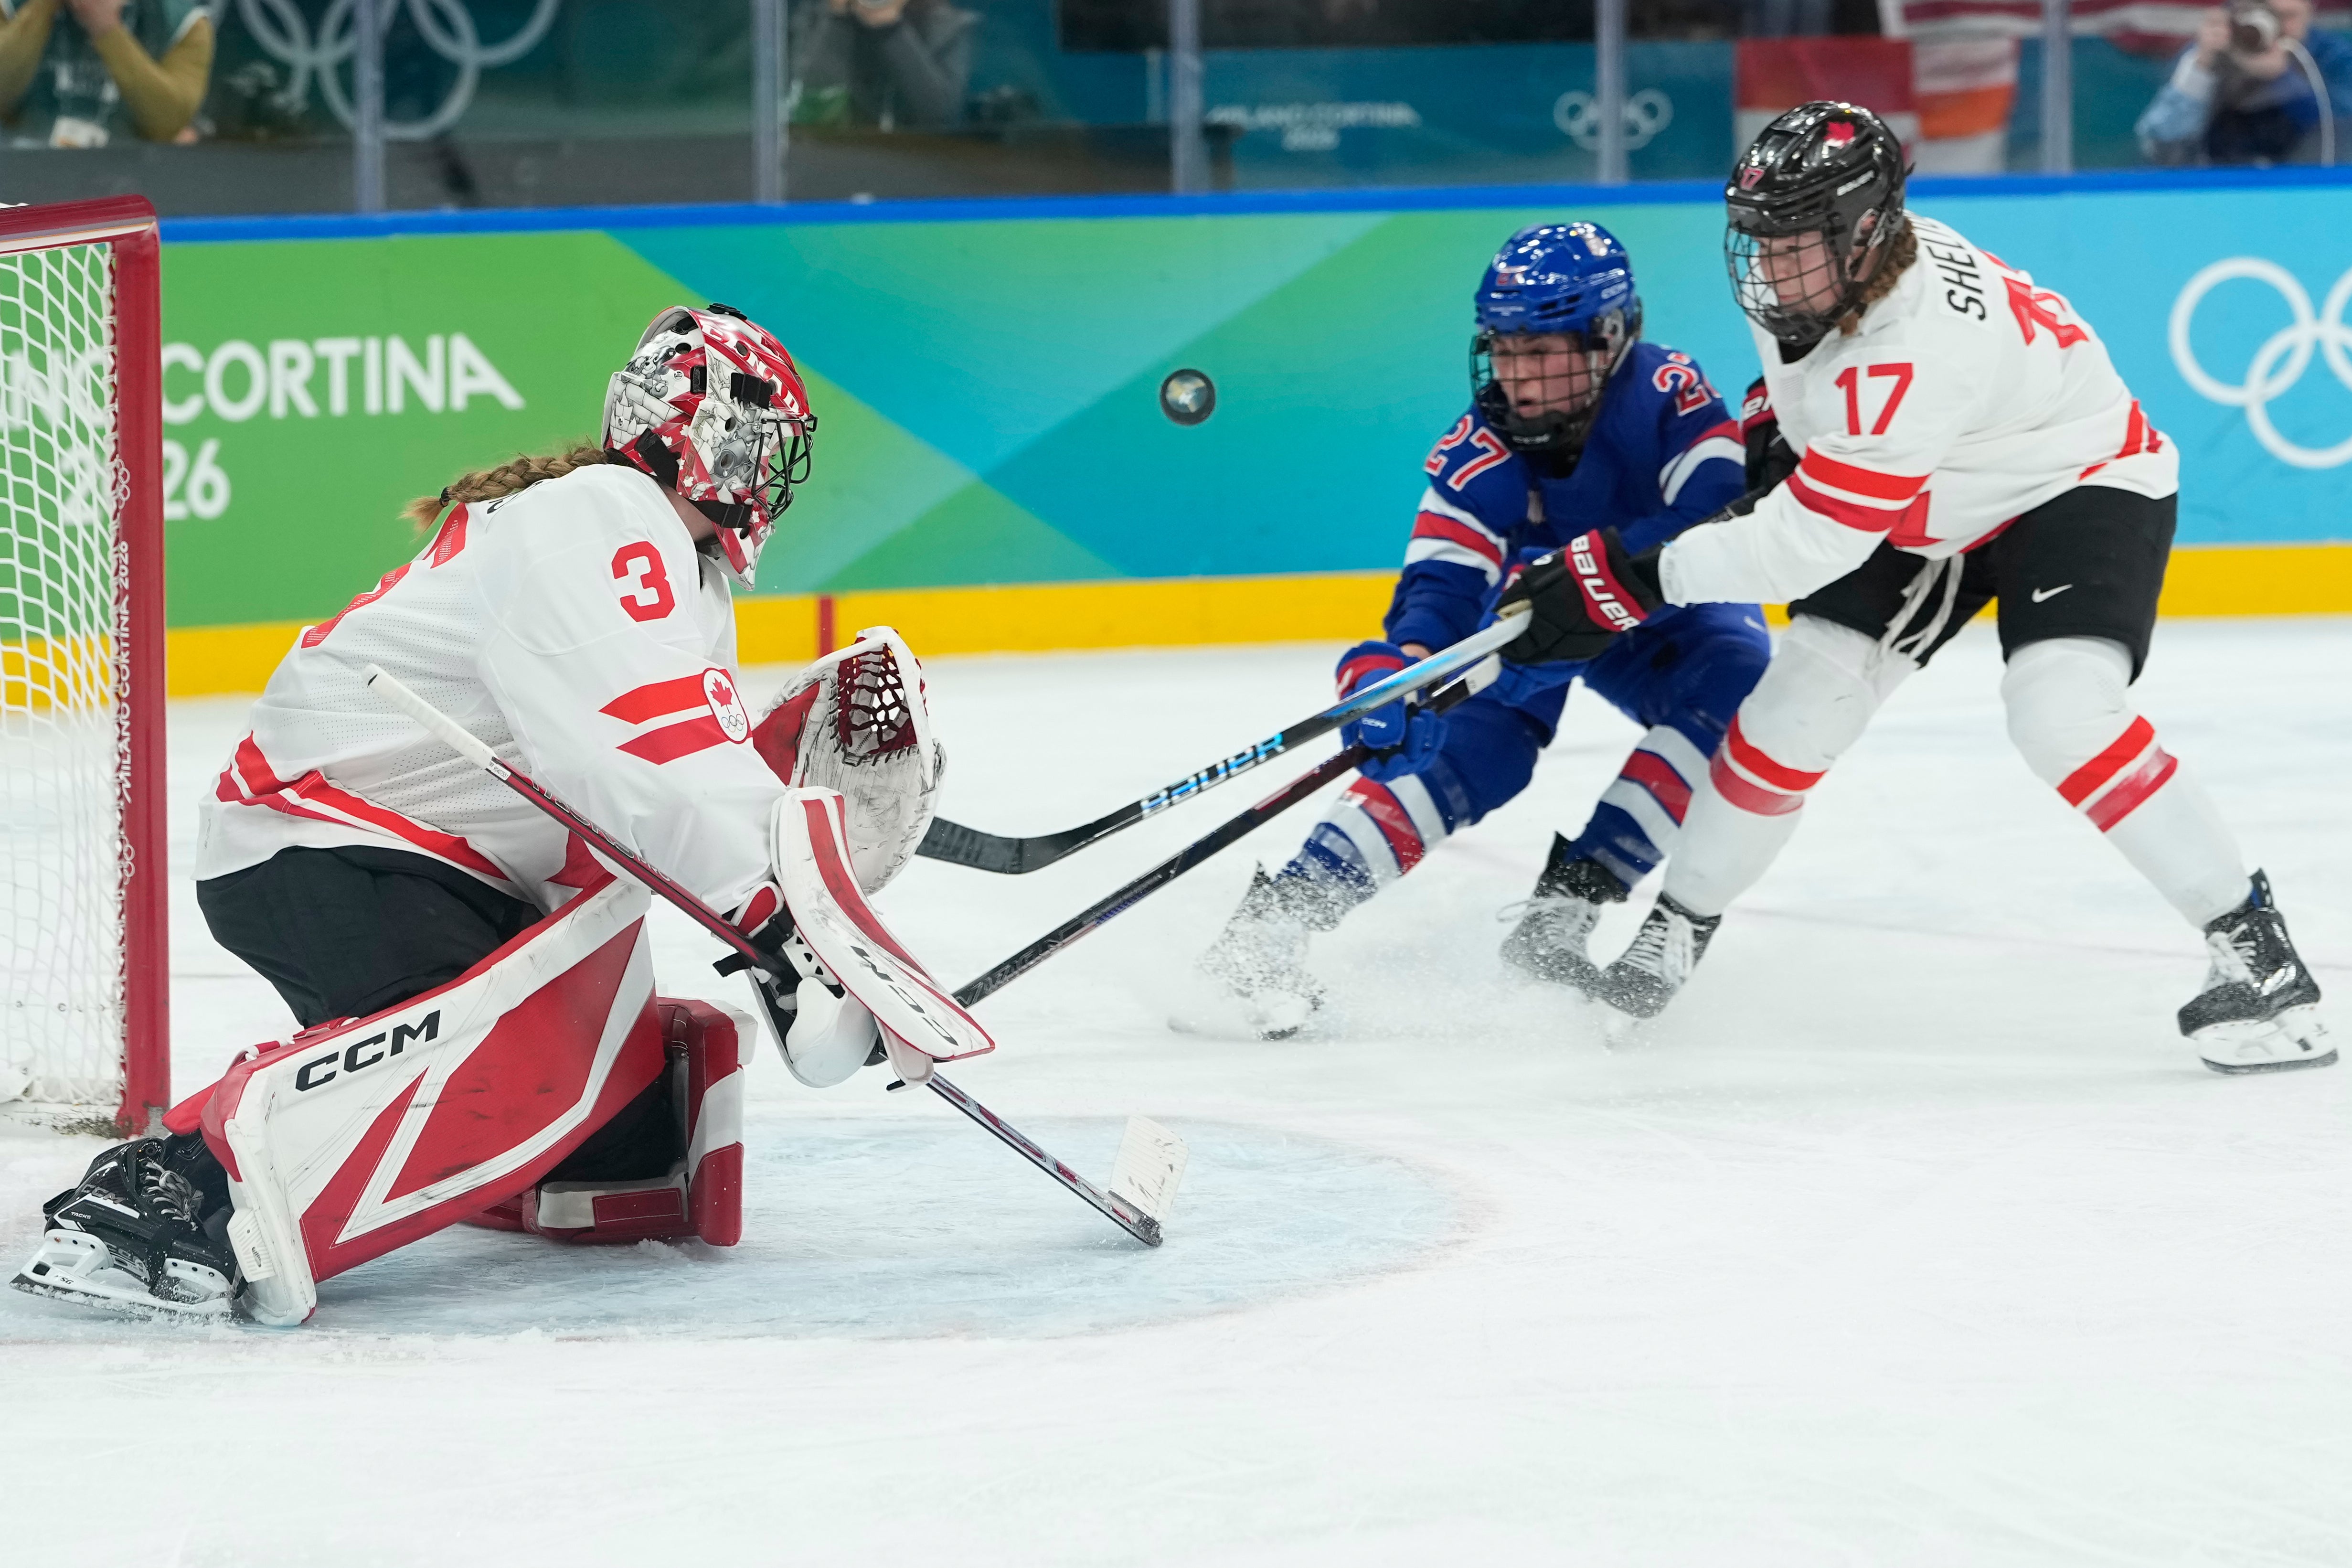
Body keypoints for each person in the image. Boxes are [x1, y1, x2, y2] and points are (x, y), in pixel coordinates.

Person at [12, 304, 952, 1322]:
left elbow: (630, 803)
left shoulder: (678, 572)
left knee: (620, 1125)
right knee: (514, 1051)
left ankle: (509, 1153)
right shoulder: (602, 513)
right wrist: (782, 922)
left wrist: (783, 936)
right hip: (325, 839)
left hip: (446, 864)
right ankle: (167, 1187)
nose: (769, 470)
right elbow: (637, 754)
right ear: (701, 428)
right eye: (759, 439)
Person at [1497, 101, 2328, 1075]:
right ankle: (1676, 926)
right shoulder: (1822, 273)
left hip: (2074, 481)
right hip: (1930, 488)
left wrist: (1627, 583)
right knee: (1791, 713)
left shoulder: (1913, 349)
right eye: (1758, 239)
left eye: (1792, 245)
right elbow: (1808, 398)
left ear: (1863, 233)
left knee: (2059, 711)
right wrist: (1772, 436)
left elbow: (1807, 545)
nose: (1767, 268)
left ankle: (2256, 954)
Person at [1193, 222, 1771, 1039]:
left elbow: (1715, 511)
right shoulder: (1481, 450)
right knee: (1468, 744)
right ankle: (1275, 922)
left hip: (1664, 603)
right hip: (1540, 614)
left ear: (1609, 337)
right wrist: (1402, 670)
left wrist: (1596, 569)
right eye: (1503, 348)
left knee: (1743, 684)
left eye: (1541, 352)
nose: (1517, 375)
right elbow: (1442, 586)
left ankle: (1567, 909)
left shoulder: (1667, 394)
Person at [2137, 0, 2352, 165]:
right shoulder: (2213, 51)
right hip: (2219, 185)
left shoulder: (2334, 57)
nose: (2277, 28)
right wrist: (2201, 69)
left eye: (2288, 17)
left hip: (2304, 185)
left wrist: (2284, 80)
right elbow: (2161, 145)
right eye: (2268, 14)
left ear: (2310, 10)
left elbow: (2340, 139)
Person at [0, 0, 211, 147]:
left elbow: (169, 123)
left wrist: (107, 29)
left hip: (127, 175)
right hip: (23, 164)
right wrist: (42, 7)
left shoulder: (184, 24)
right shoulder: (9, 6)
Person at [791, 0, 976, 129]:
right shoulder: (816, 16)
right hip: (836, 156)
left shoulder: (946, 25)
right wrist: (838, 19)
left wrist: (890, 28)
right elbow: (806, 105)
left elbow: (941, 116)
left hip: (912, 161)